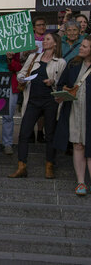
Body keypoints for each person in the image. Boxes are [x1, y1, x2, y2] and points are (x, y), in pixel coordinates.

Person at [10, 33, 66, 179]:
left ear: (55, 43)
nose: (44, 41)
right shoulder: (33, 57)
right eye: (45, 39)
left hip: (50, 101)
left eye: (48, 39)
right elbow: (21, 73)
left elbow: (62, 83)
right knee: (24, 133)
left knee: (50, 134)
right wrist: (22, 78)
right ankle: (22, 166)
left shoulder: (60, 62)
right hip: (32, 100)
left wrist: (53, 81)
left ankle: (50, 166)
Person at [54, 37, 91, 195]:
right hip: (75, 111)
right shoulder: (73, 64)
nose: (80, 48)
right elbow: (61, 84)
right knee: (78, 145)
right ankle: (80, 182)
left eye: (84, 46)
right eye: (81, 45)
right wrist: (61, 93)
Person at [0, 51, 22, 155]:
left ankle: (7, 144)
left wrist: (10, 59)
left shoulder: (15, 47)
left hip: (10, 82)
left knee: (9, 115)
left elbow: (18, 68)